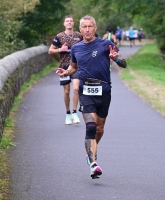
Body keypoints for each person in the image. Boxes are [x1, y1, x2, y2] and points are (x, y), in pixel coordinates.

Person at [56, 15, 127, 179]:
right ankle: (93, 162)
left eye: (90, 26)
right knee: (91, 126)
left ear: (95, 28)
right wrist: (66, 72)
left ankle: (91, 152)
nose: (87, 30)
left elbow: (123, 63)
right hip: (85, 91)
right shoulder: (76, 48)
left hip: (104, 91)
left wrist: (116, 58)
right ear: (80, 30)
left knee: (100, 129)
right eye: (84, 27)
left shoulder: (106, 44)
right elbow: (74, 67)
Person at [48, 15, 83, 125]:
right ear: (64, 23)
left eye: (71, 21)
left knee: (76, 88)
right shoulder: (59, 36)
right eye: (67, 21)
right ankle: (68, 114)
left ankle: (74, 112)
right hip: (64, 66)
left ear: (73, 23)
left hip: (76, 66)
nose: (69, 22)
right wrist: (60, 49)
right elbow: (50, 51)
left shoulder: (79, 35)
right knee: (67, 91)